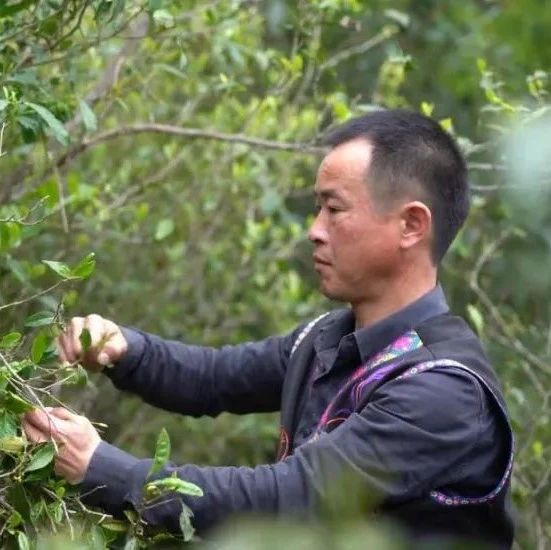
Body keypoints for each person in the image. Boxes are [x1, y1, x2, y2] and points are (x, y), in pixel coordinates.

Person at [23, 109, 514, 548]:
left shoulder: (444, 391)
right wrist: (126, 349)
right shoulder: (328, 339)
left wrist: (102, 467)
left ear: (411, 225)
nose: (315, 229)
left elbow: (289, 500)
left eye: (335, 209)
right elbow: (212, 379)